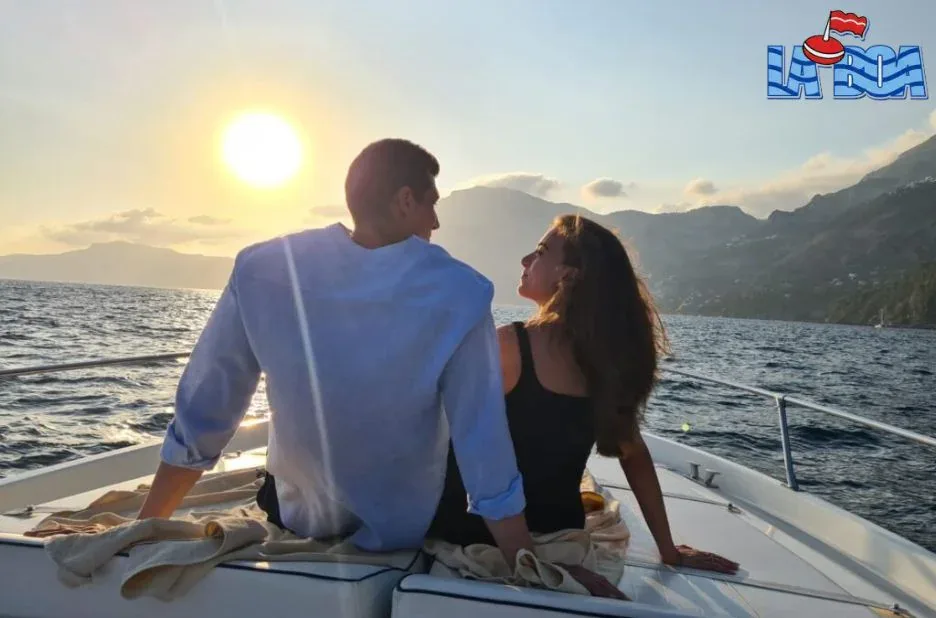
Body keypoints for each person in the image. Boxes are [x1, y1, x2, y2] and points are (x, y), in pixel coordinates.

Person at [136, 138, 539, 565]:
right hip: (404, 529)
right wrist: (524, 558)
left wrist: (145, 525)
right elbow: (481, 438)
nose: (436, 222)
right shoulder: (462, 292)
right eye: (431, 204)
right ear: (405, 201)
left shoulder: (263, 267)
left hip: (295, 516)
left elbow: (207, 408)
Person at [428, 214, 740, 575]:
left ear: (569, 275)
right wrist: (668, 551)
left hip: (474, 534)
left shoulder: (508, 346)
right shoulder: (610, 362)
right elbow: (634, 455)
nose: (525, 260)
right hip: (561, 538)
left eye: (540, 252)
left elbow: (456, 444)